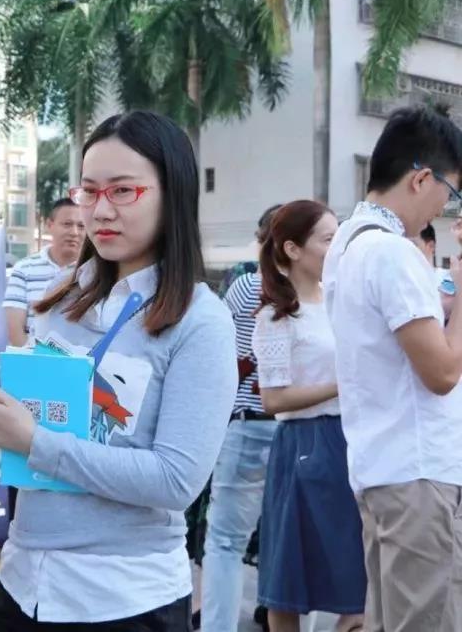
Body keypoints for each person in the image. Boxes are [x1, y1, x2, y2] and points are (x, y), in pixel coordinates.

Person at [0, 110, 238, 630]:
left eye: (123, 192)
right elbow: (38, 403)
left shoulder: (200, 321)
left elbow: (175, 479)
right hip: (23, 583)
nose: (100, 211)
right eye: (89, 191)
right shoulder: (63, 296)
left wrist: (37, 445)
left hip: (124, 598)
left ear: (172, 194)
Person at [324, 106, 462, 632]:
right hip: (419, 472)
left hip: (384, 470)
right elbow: (443, 372)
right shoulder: (393, 253)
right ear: (422, 178)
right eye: (449, 194)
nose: (443, 211)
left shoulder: (348, 244)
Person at [251, 200, 364, 632]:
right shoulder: (277, 317)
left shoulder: (343, 303)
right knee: (290, 578)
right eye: (328, 239)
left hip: (352, 439)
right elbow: (273, 399)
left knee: (356, 574)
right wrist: (344, 383)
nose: (337, 248)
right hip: (305, 446)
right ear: (293, 249)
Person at [198, 203, 280, 632]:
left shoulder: (247, 286)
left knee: (226, 543)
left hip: (247, 424)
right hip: (300, 429)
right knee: (285, 542)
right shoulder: (318, 290)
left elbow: (223, 361)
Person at [3, 198, 83, 347]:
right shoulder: (24, 269)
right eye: (67, 224)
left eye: (81, 226)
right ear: (49, 225)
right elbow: (15, 331)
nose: (74, 232)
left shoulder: (94, 273)